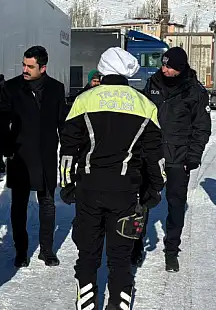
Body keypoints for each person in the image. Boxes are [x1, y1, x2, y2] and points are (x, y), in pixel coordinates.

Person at [60, 47, 164, 310]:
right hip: (125, 192)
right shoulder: (145, 105)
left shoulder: (84, 100)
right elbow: (155, 156)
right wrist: (154, 189)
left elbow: (68, 149)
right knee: (120, 257)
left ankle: (86, 303)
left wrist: (66, 184)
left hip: (89, 189)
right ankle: (118, 304)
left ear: (103, 69)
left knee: (88, 254)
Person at [138, 46, 211, 272]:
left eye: (169, 67)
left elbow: (201, 128)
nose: (164, 69)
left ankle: (171, 250)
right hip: (151, 155)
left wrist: (193, 156)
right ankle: (135, 246)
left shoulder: (195, 91)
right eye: (163, 64)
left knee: (176, 205)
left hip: (179, 159)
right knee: (143, 202)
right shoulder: (152, 84)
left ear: (180, 68)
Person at [0, 45, 67, 267]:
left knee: (47, 203)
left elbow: (62, 123)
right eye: (24, 65)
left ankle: (47, 250)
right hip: (20, 157)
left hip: (46, 155)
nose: (25, 69)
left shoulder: (56, 89)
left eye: (30, 66)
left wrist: (67, 150)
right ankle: (21, 251)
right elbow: (1, 121)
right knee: (19, 206)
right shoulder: (11, 87)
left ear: (43, 68)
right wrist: (7, 148)